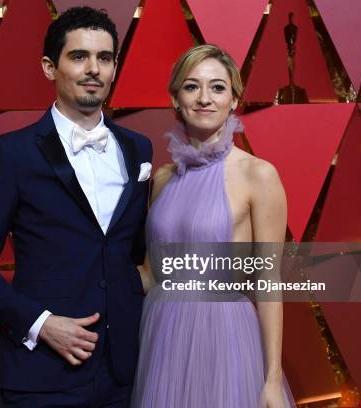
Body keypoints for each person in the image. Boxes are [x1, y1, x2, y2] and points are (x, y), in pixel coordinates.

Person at [0, 6, 152, 408]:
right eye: (79, 56)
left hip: (123, 372)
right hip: (42, 374)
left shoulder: (139, 149)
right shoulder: (13, 153)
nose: (93, 69)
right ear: (50, 67)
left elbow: (132, 255)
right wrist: (40, 324)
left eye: (105, 57)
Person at [131, 44, 295, 407]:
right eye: (192, 87)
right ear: (176, 98)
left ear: (234, 99)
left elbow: (268, 282)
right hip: (161, 337)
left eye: (218, 87)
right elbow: (149, 273)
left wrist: (270, 379)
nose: (204, 98)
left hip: (224, 338)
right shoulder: (162, 178)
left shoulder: (258, 175)